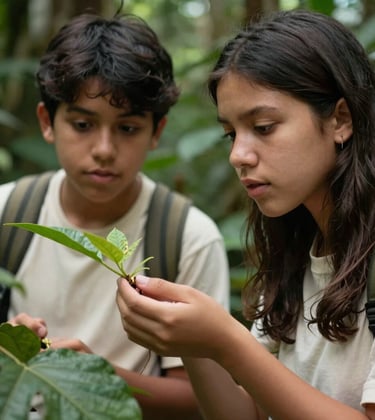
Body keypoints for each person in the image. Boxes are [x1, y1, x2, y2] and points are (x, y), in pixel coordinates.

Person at [116, 9, 375, 420]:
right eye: (231, 134)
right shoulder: (295, 248)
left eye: (265, 126)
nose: (239, 155)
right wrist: (195, 344)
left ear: (340, 119)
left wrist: (226, 341)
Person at [0, 10, 230, 420]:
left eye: (127, 128)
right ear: (47, 122)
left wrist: (97, 375)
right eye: (83, 124)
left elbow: (198, 399)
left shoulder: (188, 236)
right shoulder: (8, 214)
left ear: (156, 132)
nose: (104, 149)